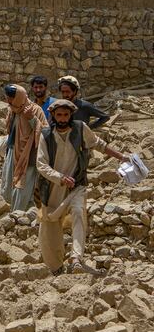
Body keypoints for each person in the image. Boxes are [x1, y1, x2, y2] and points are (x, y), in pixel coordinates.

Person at [36, 99, 128, 274]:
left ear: (71, 115)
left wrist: (121, 156)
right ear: (53, 116)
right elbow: (41, 165)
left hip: (76, 185)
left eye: (66, 115)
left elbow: (99, 145)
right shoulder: (45, 136)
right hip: (53, 189)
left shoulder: (80, 128)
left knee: (79, 212)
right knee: (50, 228)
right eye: (59, 115)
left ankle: (76, 258)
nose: (63, 119)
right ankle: (56, 267)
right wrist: (60, 177)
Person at [0, 84, 49, 211]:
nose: (7, 101)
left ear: (18, 98)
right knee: (9, 184)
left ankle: (18, 216)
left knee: (22, 187)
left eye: (10, 99)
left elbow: (46, 132)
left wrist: (32, 119)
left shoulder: (35, 110)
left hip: (28, 156)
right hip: (12, 152)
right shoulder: (13, 109)